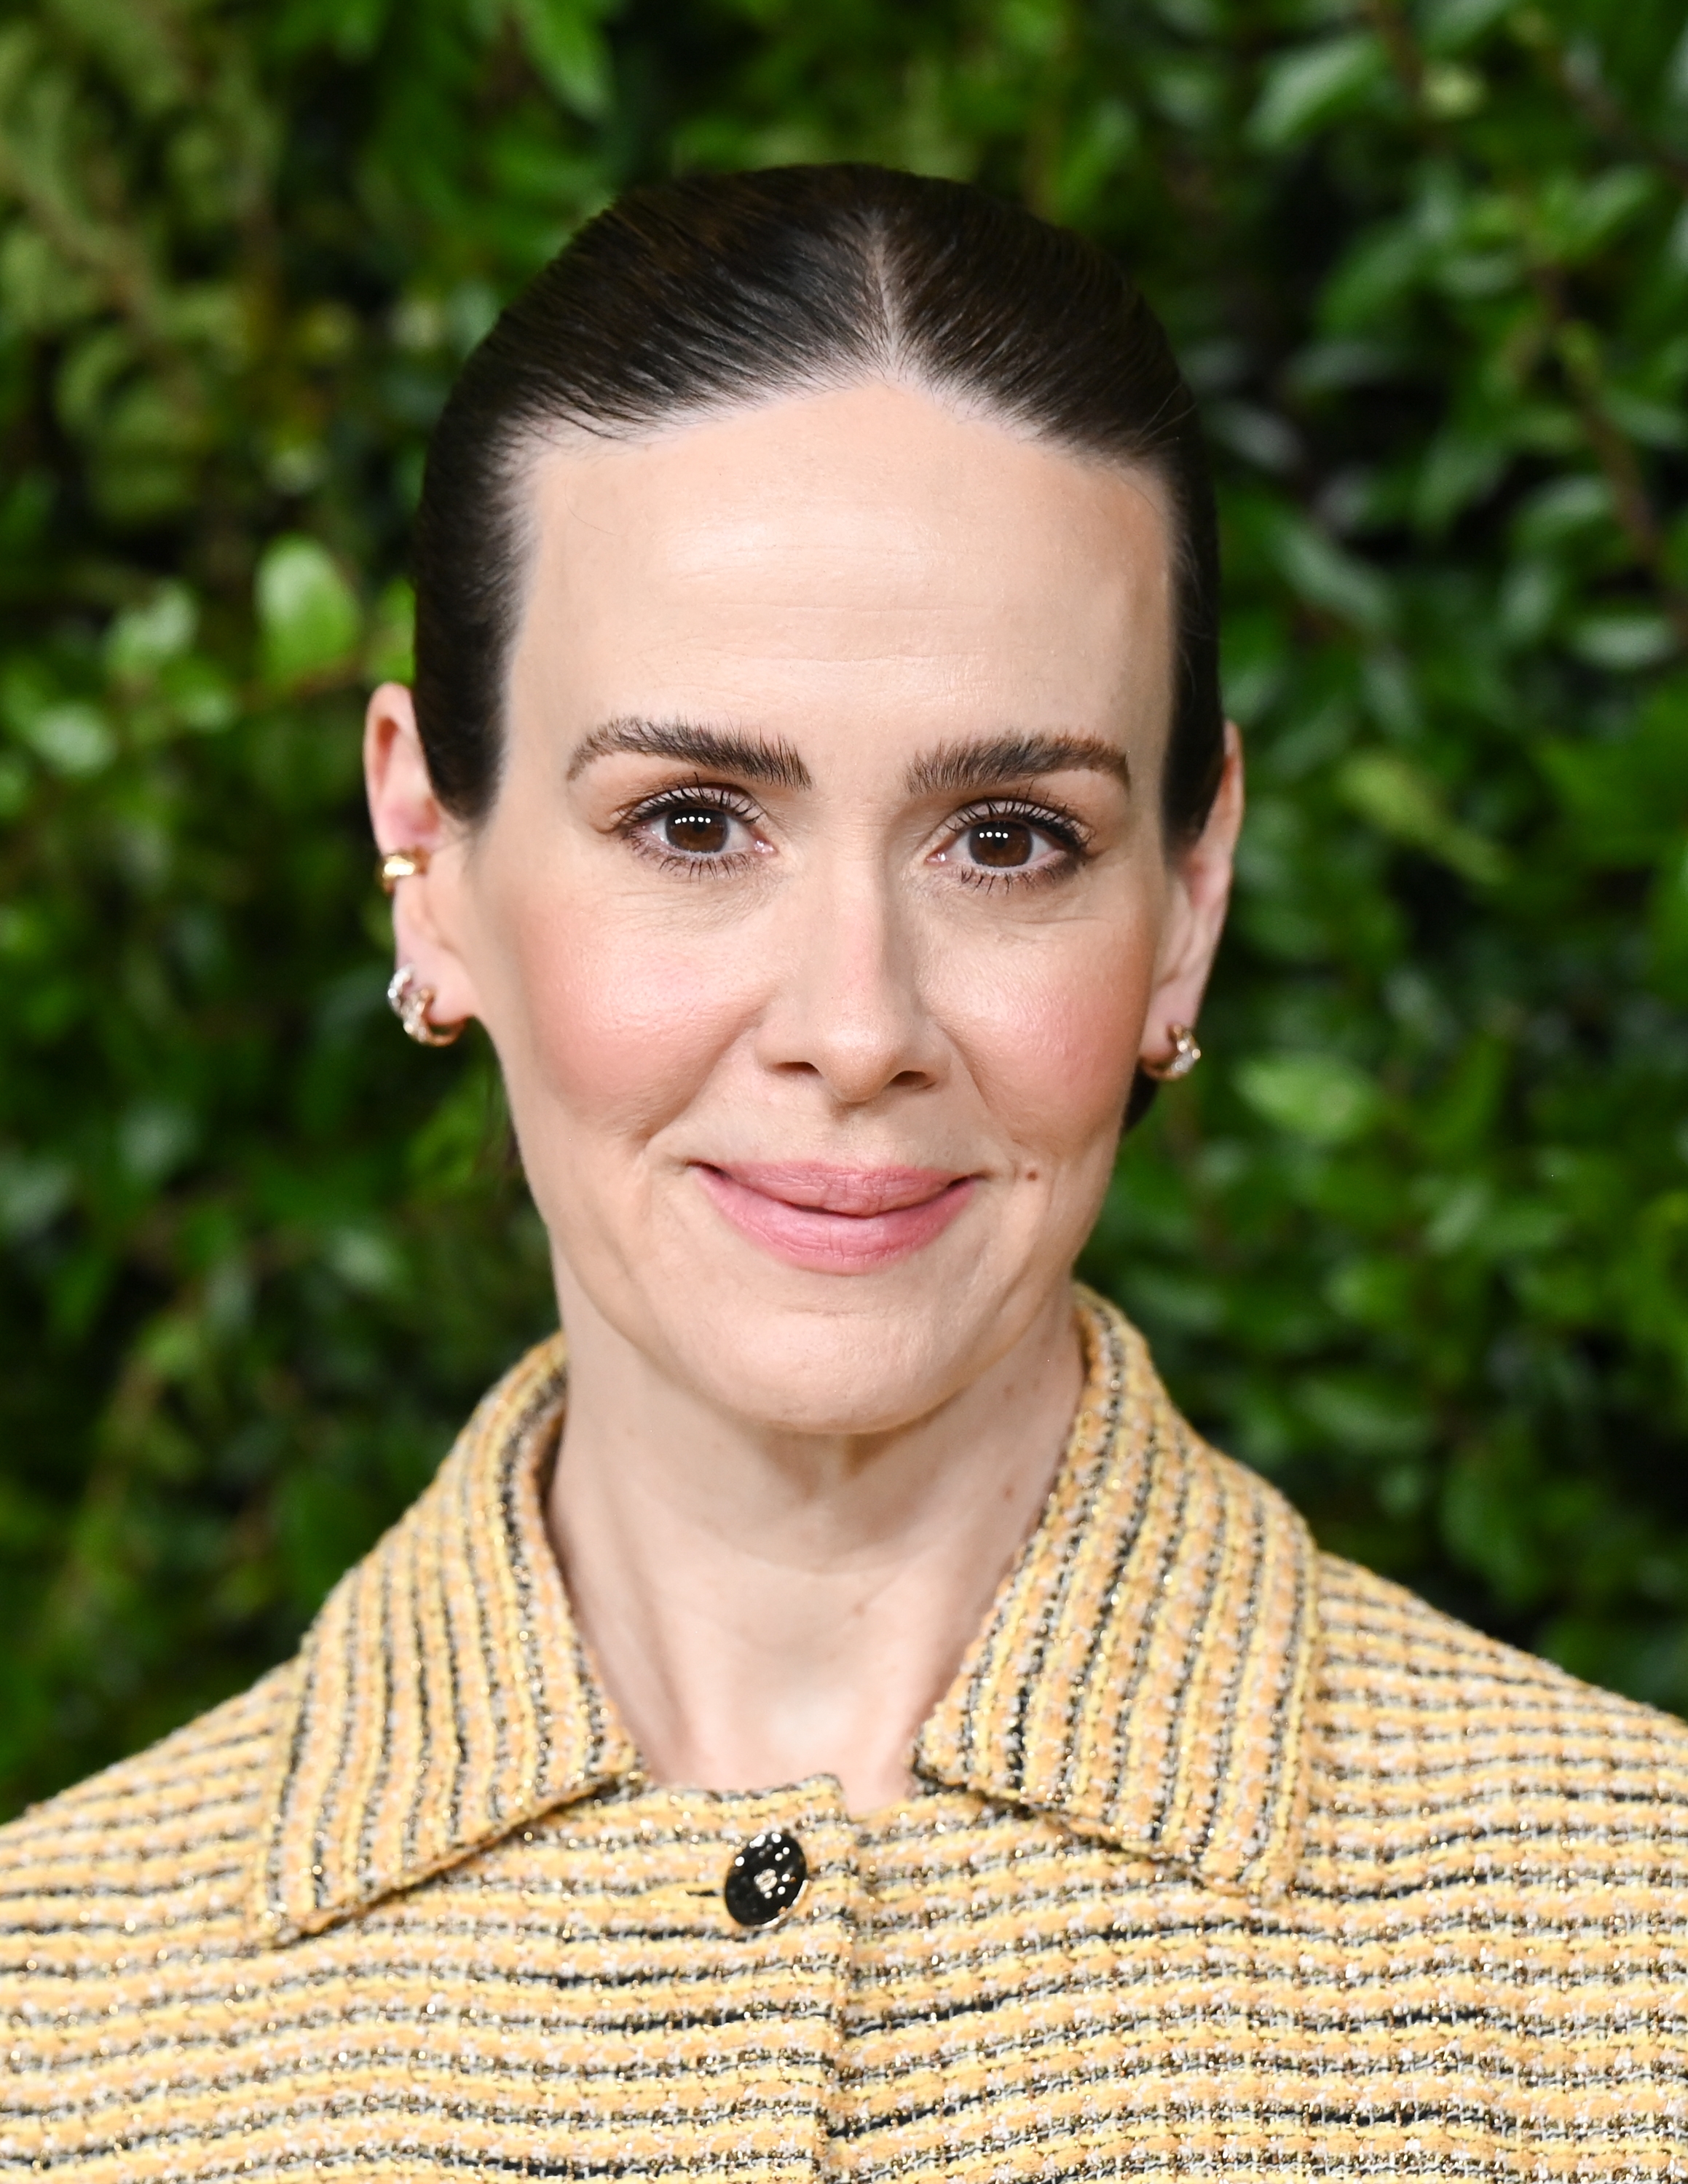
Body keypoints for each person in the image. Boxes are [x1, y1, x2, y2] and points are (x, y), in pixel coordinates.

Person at [1, 164, 1684, 2183]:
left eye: (1010, 839)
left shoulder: (1635, 1965)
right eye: (695, 821)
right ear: (429, 857)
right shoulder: (52, 2039)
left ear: (1190, 896)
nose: (857, 1022)